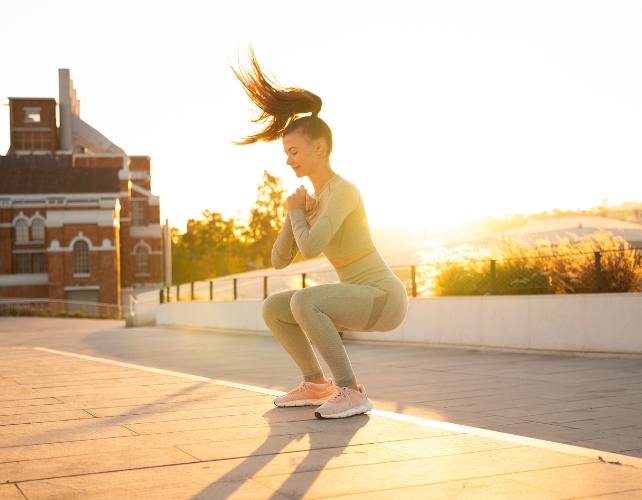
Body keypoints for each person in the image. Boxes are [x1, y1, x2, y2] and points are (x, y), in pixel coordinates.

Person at [233, 49, 408, 419]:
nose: (288, 159)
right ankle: (316, 384)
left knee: (304, 301)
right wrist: (291, 215)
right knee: (274, 307)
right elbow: (279, 261)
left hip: (383, 298)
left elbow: (310, 249)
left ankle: (351, 391)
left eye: (294, 150)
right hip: (361, 297)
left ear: (320, 147)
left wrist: (298, 214)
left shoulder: (343, 191)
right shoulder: (314, 200)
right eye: (285, 152)